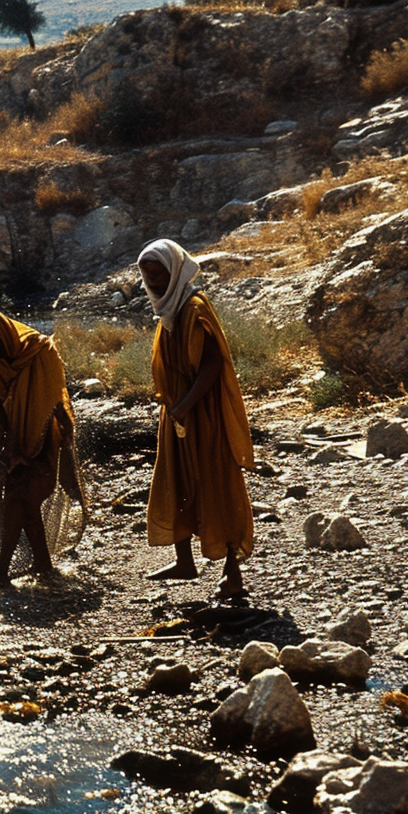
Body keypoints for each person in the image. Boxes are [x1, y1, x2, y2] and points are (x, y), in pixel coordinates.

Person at [138, 239, 255, 600]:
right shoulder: (168, 311)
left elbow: (212, 364)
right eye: (149, 277)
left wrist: (186, 405)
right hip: (177, 414)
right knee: (176, 482)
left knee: (216, 487)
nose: (155, 283)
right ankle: (184, 561)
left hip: (201, 414)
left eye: (160, 276)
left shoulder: (193, 307)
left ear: (174, 271)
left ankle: (233, 575)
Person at [0, 309, 82, 589]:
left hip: (42, 435)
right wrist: (2, 452)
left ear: (3, 333)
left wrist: (58, 432)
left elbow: (52, 396)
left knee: (20, 496)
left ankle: (1, 569)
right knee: (22, 499)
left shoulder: (39, 351)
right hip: (6, 442)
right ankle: (42, 563)